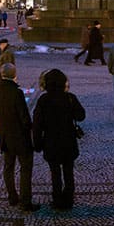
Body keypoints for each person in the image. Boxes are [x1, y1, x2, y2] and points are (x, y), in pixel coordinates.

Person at [32, 69, 86, 211]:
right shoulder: (70, 98)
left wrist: (37, 144)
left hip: (51, 143)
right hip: (68, 142)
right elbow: (81, 116)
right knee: (69, 172)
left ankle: (57, 200)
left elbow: (37, 125)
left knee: (55, 173)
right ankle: (68, 200)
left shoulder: (43, 100)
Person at [0, 63, 38, 211]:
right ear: (14, 75)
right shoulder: (17, 92)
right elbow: (24, 117)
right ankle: (25, 202)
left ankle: (12, 196)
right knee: (25, 168)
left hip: (4, 135)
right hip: (20, 137)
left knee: (8, 167)